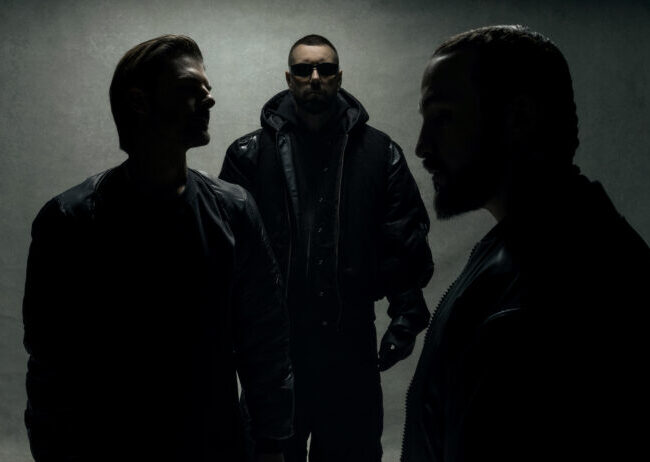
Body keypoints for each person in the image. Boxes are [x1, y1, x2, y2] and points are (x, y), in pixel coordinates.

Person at [23, 35, 293, 462]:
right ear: (139, 102)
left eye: (207, 88)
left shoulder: (234, 210)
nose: (210, 98)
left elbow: (265, 342)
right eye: (190, 87)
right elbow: (52, 367)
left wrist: (273, 445)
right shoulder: (70, 221)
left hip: (214, 448)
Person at [402, 25, 650, 462]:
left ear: (518, 118)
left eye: (443, 116)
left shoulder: (563, 285)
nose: (422, 147)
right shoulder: (530, 245)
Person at [220, 34, 434, 461]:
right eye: (304, 70)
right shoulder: (249, 155)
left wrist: (406, 315)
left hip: (349, 344)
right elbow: (230, 254)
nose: (314, 77)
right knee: (268, 454)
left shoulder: (379, 153)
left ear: (339, 77)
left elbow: (401, 236)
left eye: (325, 68)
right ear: (289, 78)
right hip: (277, 350)